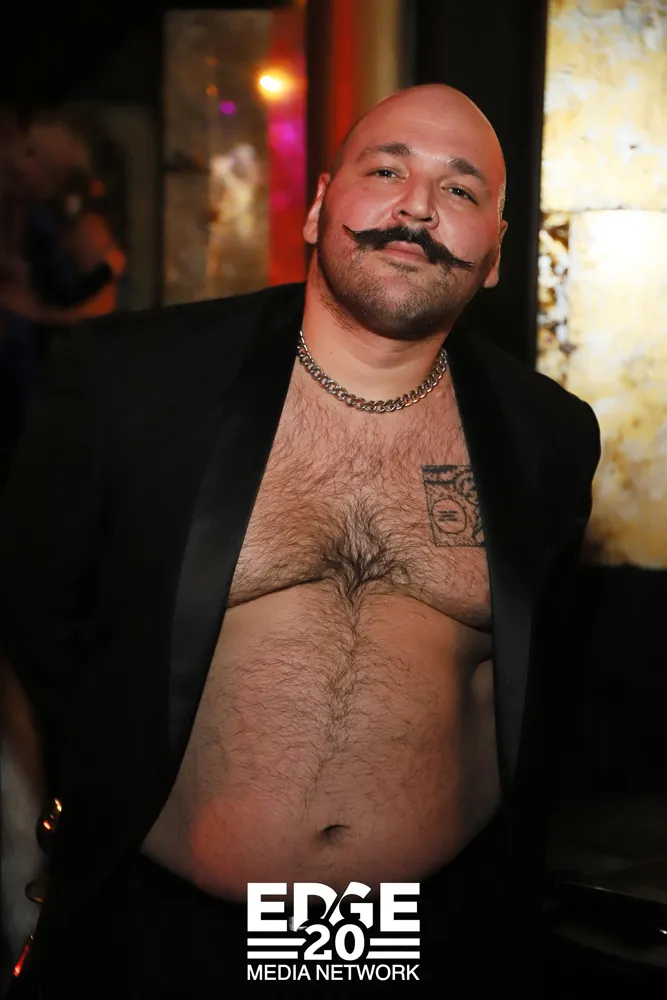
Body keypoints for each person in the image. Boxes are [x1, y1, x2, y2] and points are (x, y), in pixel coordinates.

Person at [0, 84, 600, 998]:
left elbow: (540, 681)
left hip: (423, 935)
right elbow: (31, 625)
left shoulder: (547, 437)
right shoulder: (133, 381)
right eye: (386, 171)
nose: (416, 207)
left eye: (460, 190)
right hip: (169, 934)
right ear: (319, 207)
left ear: (494, 255)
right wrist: (41, 839)